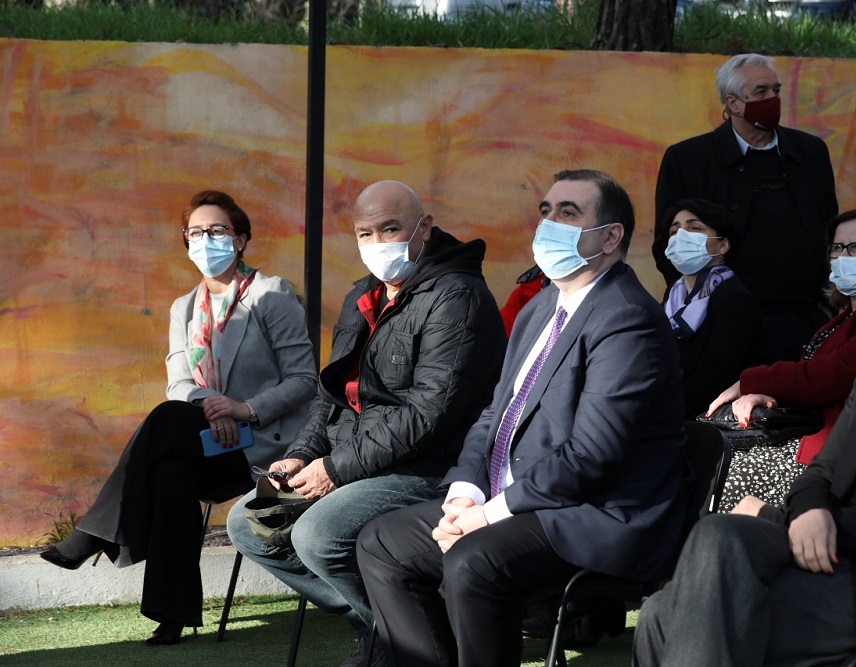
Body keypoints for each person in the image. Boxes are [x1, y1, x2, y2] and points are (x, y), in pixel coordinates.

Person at [634, 204, 856, 667]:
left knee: (665, 616)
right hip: (828, 558)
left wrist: (787, 520)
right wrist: (807, 512)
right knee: (713, 540)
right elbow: (824, 471)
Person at [356, 169, 690, 667]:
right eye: (546, 212)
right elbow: (495, 413)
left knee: (472, 561)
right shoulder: (540, 307)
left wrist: (487, 516)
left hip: (596, 513)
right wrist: (465, 494)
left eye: (569, 213)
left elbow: (591, 456)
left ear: (611, 237)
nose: (549, 224)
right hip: (516, 499)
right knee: (381, 542)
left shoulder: (627, 318)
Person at [226, 180, 507, 666]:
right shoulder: (364, 295)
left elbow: (430, 414)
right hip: (359, 458)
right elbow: (330, 395)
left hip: (432, 465)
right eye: (364, 233)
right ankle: (385, 628)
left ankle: (407, 637)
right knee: (248, 522)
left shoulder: (458, 296)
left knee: (319, 534)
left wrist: (336, 469)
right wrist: (301, 455)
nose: (378, 244)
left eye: (390, 229)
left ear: (424, 227)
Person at [40, 190, 318, 645]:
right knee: (171, 466)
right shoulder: (183, 307)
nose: (205, 240)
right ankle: (172, 614)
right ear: (185, 240)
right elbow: (179, 382)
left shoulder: (270, 295)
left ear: (240, 239)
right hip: (210, 440)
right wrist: (214, 406)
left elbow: (305, 379)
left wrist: (243, 409)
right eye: (195, 232)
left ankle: (97, 534)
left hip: (266, 446)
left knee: (169, 428)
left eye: (217, 230)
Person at [706, 206, 856, 511]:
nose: (844, 256)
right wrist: (767, 394)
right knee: (708, 463)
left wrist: (751, 381)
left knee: (723, 479)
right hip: (808, 444)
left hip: (837, 460)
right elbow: (808, 377)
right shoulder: (843, 317)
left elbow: (831, 377)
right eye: (837, 247)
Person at [653, 53, 838, 363]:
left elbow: (829, 229)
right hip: (722, 321)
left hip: (804, 319)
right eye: (761, 92)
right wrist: (701, 306)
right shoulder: (687, 160)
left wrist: (827, 301)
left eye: (776, 90)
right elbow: (667, 246)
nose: (773, 99)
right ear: (733, 104)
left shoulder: (811, 152)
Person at [661, 198, 763, 419]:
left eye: (695, 228)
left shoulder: (735, 300)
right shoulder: (672, 296)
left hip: (702, 421)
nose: (681, 236)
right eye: (674, 231)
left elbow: (713, 381)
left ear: (723, 245)